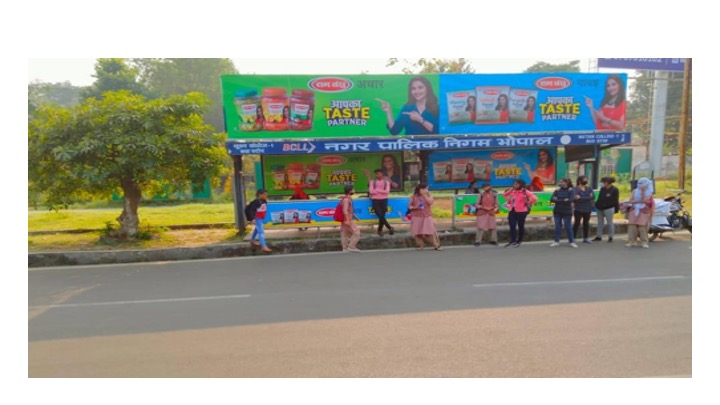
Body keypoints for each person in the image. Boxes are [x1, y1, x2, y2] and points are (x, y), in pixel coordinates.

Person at [502, 179, 538, 248]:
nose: (514, 185)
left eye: (516, 184)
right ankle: (513, 240)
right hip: (512, 210)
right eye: (514, 184)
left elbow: (534, 198)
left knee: (520, 226)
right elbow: (504, 194)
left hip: (521, 211)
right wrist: (511, 190)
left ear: (520, 185)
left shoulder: (525, 192)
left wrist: (528, 203)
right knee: (512, 225)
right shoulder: (513, 191)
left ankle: (519, 240)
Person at [409, 183, 442, 251]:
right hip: (417, 216)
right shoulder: (413, 197)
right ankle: (420, 245)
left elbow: (430, 202)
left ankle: (436, 245)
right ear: (419, 189)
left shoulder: (429, 195)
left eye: (427, 188)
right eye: (424, 188)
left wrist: (424, 195)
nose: (426, 190)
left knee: (430, 231)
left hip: (427, 216)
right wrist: (415, 207)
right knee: (417, 232)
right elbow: (409, 206)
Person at [626, 177, 654, 248]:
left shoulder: (649, 192)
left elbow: (645, 200)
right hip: (634, 210)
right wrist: (638, 201)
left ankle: (644, 242)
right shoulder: (634, 191)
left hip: (644, 211)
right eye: (639, 183)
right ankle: (632, 241)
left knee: (642, 227)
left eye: (642, 183)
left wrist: (643, 192)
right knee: (632, 226)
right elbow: (631, 200)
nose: (640, 185)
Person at [550, 178, 577, 248]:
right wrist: (563, 200)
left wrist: (558, 199)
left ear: (567, 182)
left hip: (567, 211)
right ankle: (556, 241)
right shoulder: (557, 189)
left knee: (568, 227)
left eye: (563, 182)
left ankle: (571, 241)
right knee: (557, 226)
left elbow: (570, 200)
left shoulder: (571, 190)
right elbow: (552, 199)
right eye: (561, 182)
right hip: (557, 211)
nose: (562, 183)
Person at [368, 168, 395, 237]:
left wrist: (377, 190)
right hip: (375, 200)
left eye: (378, 173)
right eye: (376, 174)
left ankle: (379, 230)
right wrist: (380, 191)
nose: (377, 175)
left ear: (382, 174)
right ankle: (389, 227)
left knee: (382, 216)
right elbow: (371, 191)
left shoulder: (386, 182)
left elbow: (387, 191)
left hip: (384, 200)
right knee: (380, 215)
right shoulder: (372, 182)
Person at [244, 189, 272, 253]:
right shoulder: (257, 201)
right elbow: (250, 210)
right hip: (257, 218)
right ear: (260, 194)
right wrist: (251, 219)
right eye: (264, 194)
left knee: (257, 229)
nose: (266, 196)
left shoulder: (264, 201)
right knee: (261, 232)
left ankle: (252, 240)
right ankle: (264, 246)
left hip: (260, 218)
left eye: (266, 194)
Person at [594, 176, 620, 242]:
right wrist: (596, 205)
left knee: (609, 222)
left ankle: (611, 236)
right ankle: (599, 236)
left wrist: (616, 209)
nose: (602, 183)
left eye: (603, 182)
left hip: (609, 208)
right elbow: (600, 198)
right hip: (600, 207)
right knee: (600, 222)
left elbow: (615, 200)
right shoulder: (602, 189)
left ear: (607, 182)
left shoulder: (614, 189)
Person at [572, 175, 594, 243]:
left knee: (586, 223)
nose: (585, 181)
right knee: (577, 223)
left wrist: (581, 197)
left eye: (586, 179)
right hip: (578, 209)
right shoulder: (575, 189)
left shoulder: (589, 188)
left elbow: (592, 197)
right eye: (584, 180)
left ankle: (586, 238)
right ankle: (573, 237)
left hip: (588, 208)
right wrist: (587, 197)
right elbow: (575, 197)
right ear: (579, 181)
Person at [339, 185, 361, 253]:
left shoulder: (347, 199)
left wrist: (355, 216)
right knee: (356, 232)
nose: (354, 190)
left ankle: (345, 248)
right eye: (353, 189)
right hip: (347, 219)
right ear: (350, 191)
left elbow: (349, 210)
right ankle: (351, 246)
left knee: (345, 233)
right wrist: (347, 220)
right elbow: (345, 211)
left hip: (346, 219)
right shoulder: (346, 199)